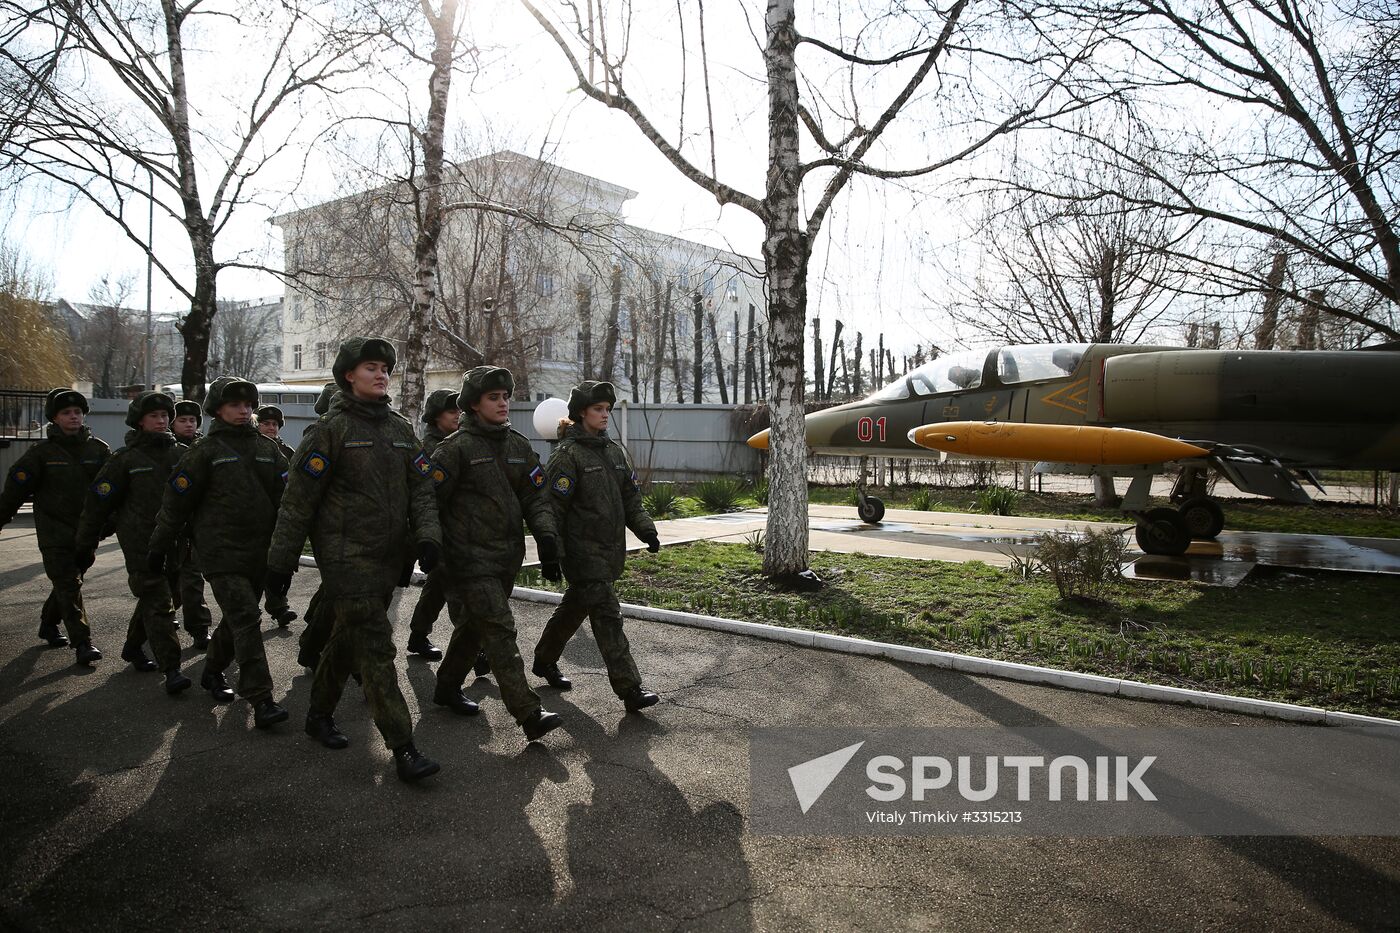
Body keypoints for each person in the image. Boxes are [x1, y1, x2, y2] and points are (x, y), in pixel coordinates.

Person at [265, 337, 443, 783]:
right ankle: (404, 747)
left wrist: (426, 537)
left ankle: (318, 714)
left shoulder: (401, 429)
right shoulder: (329, 430)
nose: (381, 374)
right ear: (348, 375)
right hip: (346, 560)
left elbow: (421, 488)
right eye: (370, 367)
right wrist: (280, 562)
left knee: (347, 640)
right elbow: (297, 503)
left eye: (385, 368)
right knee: (377, 647)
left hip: (387, 559)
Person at [149, 376, 291, 729]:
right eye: (234, 405)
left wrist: (286, 550)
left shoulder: (267, 449)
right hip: (220, 553)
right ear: (218, 410)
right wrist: (157, 547)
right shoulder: (203, 453)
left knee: (237, 620)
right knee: (247, 619)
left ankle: (212, 671)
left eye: (248, 405)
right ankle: (261, 698)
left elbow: (288, 502)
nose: (244, 411)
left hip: (259, 552)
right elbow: (174, 506)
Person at [431, 366, 562, 741]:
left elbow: (536, 497)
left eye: (505, 396)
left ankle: (446, 687)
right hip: (467, 560)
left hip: (506, 558)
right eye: (494, 397)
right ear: (473, 404)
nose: (503, 403)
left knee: (475, 628)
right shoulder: (454, 450)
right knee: (500, 629)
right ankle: (528, 712)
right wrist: (430, 548)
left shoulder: (518, 446)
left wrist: (547, 538)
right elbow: (429, 502)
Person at [531, 380, 662, 713]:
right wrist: (552, 552)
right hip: (581, 552)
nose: (605, 415)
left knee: (574, 608)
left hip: (608, 551)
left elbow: (630, 498)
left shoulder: (613, 452)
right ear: (580, 413)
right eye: (598, 409)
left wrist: (646, 530)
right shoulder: (566, 456)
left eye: (607, 409)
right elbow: (552, 510)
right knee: (607, 616)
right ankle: (630, 688)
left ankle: (544, 660)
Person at [75, 391, 192, 694]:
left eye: (165, 415)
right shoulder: (124, 460)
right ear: (139, 421)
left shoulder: (181, 454)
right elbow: (97, 503)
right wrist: (85, 543)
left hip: (177, 541)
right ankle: (172, 669)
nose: (161, 420)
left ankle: (132, 646)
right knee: (159, 602)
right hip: (141, 543)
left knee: (173, 596)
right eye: (154, 416)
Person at [0, 388, 109, 662]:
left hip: (86, 531)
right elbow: (15, 490)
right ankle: (83, 643)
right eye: (66, 413)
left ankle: (48, 624)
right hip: (54, 532)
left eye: (77, 412)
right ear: (54, 418)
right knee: (68, 583)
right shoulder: (41, 454)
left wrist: (111, 523)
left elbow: (113, 491)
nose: (73, 417)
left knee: (70, 583)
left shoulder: (98, 450)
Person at [404, 388, 457, 663]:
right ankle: (477, 647)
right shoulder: (428, 450)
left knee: (438, 586)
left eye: (460, 410)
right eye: (452, 411)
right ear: (436, 417)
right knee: (457, 590)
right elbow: (425, 495)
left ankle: (417, 635)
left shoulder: (461, 442)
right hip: (439, 530)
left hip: (460, 530)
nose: (458, 415)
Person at [168, 399, 212, 648]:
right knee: (166, 581)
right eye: (182, 420)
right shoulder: (165, 450)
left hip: (194, 526)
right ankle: (158, 620)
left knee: (192, 578)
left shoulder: (204, 448)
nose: (188, 424)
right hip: (167, 525)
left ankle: (199, 628)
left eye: (192, 420)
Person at [254, 405, 299, 628]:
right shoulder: (250, 448)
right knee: (256, 568)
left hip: (280, 517)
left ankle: (279, 607)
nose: (271, 428)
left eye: (274, 424)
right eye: (265, 423)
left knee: (278, 564)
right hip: (254, 518)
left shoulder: (287, 451)